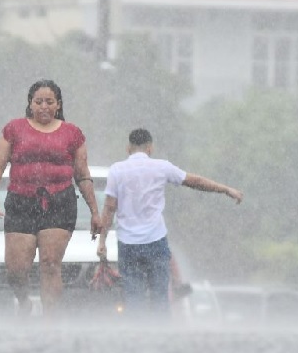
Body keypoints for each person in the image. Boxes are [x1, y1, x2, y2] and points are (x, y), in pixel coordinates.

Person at [97, 128, 243, 315]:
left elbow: (109, 207)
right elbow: (195, 181)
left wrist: (102, 242)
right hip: (155, 242)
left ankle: (136, 337)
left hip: (128, 244)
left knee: (134, 298)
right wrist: (225, 189)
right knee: (160, 297)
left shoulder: (116, 170)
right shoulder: (161, 167)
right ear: (150, 148)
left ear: (128, 148)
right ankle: (161, 335)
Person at [0, 79, 102, 316]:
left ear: (58, 105)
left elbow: (82, 175)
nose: (44, 107)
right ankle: (24, 302)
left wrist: (94, 211)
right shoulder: (14, 129)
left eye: (49, 102)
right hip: (21, 202)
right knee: (16, 270)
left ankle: (50, 321)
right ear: (30, 104)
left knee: (50, 264)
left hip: (59, 202)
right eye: (38, 102)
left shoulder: (73, 134)